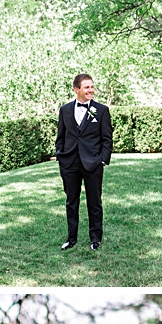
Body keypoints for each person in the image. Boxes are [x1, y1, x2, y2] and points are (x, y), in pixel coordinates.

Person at [55, 72, 112, 252]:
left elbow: (107, 139)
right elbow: (61, 136)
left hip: (93, 163)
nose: (91, 90)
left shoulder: (101, 110)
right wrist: (60, 156)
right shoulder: (64, 110)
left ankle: (95, 239)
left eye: (92, 87)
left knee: (94, 202)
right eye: (86, 87)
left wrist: (102, 159)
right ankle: (71, 238)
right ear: (76, 89)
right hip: (70, 163)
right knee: (71, 202)